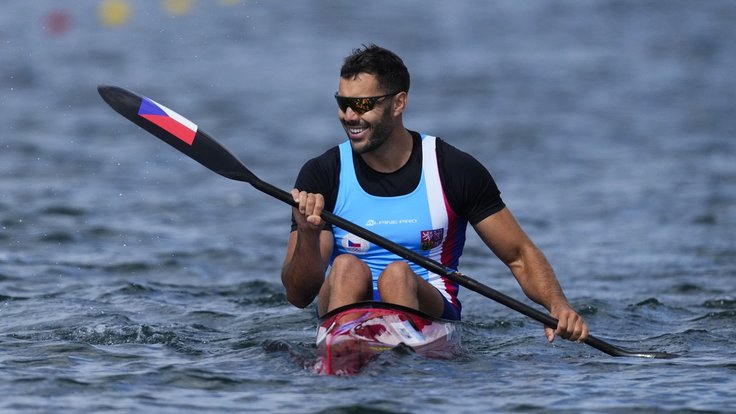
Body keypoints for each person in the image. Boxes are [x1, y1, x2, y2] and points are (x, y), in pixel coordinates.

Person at [280, 44, 589, 343]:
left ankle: (402, 356)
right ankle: (344, 353)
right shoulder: (322, 174)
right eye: (342, 103)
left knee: (397, 274)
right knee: (347, 267)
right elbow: (298, 296)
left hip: (428, 308)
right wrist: (308, 234)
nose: (349, 115)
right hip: (345, 302)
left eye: (362, 104)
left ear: (398, 103)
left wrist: (558, 306)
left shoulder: (452, 169)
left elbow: (519, 255)